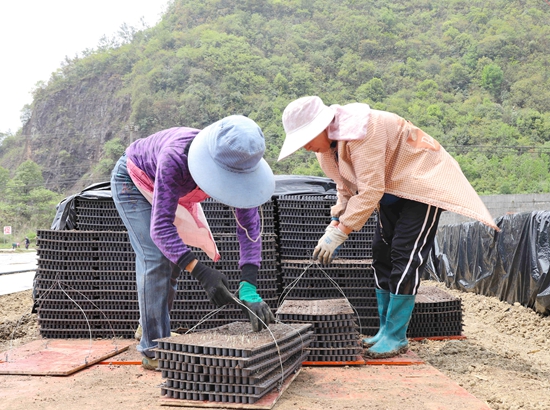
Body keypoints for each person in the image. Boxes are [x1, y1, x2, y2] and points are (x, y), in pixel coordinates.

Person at [278, 96, 498, 359]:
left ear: (322, 126)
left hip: (421, 183)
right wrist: (336, 221)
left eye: (306, 138)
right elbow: (346, 188)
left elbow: (370, 190)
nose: (305, 147)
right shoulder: (326, 151)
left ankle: (396, 336)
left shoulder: (363, 130)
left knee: (405, 254)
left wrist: (341, 232)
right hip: (392, 190)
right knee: (381, 252)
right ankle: (384, 330)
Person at [111, 115, 276, 370]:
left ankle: (151, 321)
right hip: (134, 181)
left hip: (176, 193)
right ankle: (153, 348)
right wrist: (201, 272)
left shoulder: (240, 161)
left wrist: (249, 286)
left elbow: (249, 227)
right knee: (156, 258)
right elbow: (161, 229)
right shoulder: (175, 158)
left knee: (175, 262)